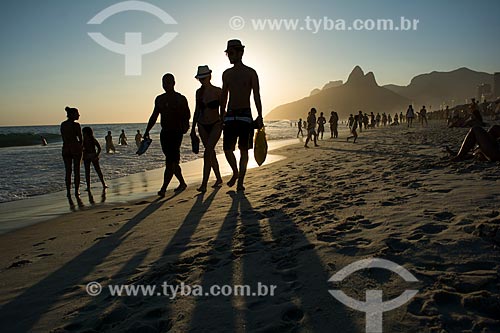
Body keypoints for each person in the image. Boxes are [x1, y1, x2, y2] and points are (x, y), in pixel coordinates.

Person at [221, 39, 264, 191]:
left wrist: (260, 115)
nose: (230, 56)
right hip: (230, 115)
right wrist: (222, 116)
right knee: (227, 149)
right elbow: (224, 96)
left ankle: (240, 182)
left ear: (241, 52)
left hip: (246, 115)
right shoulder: (226, 74)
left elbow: (256, 95)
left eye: (232, 53)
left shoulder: (251, 73)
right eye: (228, 53)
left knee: (244, 150)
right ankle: (236, 172)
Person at [144, 73, 191, 197]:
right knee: (172, 161)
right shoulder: (159, 99)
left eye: (168, 82)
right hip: (164, 133)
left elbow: (187, 115)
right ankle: (182, 183)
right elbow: (154, 116)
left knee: (170, 161)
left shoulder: (180, 98)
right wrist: (147, 130)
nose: (166, 85)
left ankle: (163, 188)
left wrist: (185, 127)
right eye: (164, 83)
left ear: (174, 83)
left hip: (176, 133)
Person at [190, 65, 224, 192]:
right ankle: (219, 178)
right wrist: (193, 129)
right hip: (202, 125)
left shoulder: (218, 91)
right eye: (200, 79)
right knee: (210, 152)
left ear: (209, 76)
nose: (202, 81)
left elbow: (223, 109)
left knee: (208, 151)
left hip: (216, 123)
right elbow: (197, 110)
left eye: (204, 78)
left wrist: (223, 122)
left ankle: (204, 183)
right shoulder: (198, 92)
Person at [61, 106, 83, 198]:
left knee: (68, 171)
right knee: (76, 170)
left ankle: (68, 192)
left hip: (66, 148)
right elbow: (80, 138)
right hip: (75, 148)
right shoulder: (76, 125)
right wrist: (81, 147)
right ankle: (76, 191)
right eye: (77, 113)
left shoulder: (63, 125)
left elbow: (64, 138)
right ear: (72, 115)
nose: (78, 115)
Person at [82, 126, 107, 191]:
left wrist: (96, 155)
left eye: (83, 132)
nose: (82, 134)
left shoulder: (84, 140)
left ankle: (89, 187)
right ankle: (103, 184)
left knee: (88, 172)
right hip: (92, 155)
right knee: (97, 170)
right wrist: (96, 155)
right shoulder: (92, 139)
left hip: (88, 156)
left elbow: (99, 148)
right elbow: (99, 148)